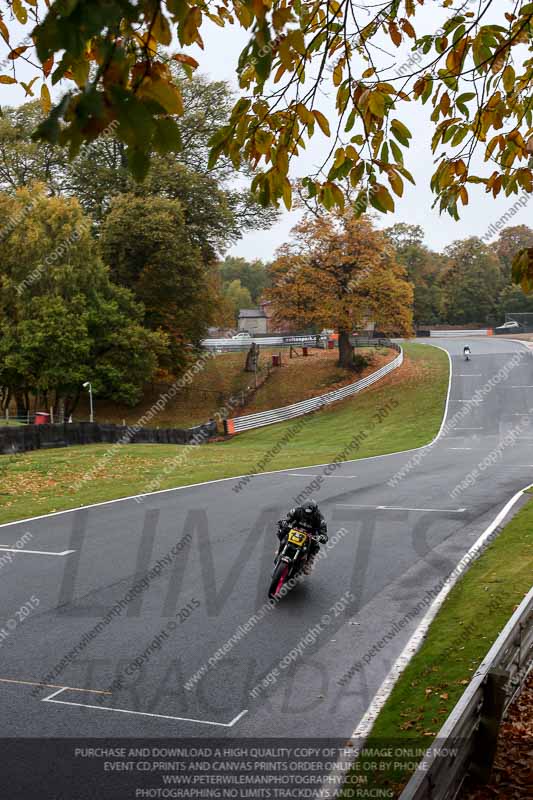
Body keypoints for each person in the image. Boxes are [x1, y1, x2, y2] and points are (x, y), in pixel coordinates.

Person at [277, 500, 328, 574]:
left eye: (309, 514)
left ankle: (308, 563)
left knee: (315, 546)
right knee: (282, 531)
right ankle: (280, 550)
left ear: (315, 511)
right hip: (295, 530)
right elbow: (288, 519)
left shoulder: (320, 519)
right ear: (302, 509)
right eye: (305, 513)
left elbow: (324, 533)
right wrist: (284, 522)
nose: (307, 516)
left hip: (309, 534)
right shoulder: (296, 511)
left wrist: (321, 537)